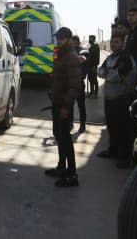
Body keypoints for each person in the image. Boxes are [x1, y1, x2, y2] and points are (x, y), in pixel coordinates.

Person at [45, 27, 81, 187]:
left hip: (63, 105)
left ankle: (72, 175)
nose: (58, 40)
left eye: (61, 38)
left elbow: (75, 85)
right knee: (59, 135)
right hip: (57, 103)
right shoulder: (61, 55)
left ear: (68, 39)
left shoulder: (71, 57)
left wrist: (67, 106)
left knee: (65, 138)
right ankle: (61, 167)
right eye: (58, 38)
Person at [96, 35, 137, 166]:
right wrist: (109, 72)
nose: (113, 44)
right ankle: (112, 151)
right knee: (112, 127)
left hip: (121, 99)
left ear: (122, 44)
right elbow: (100, 72)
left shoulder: (126, 58)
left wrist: (108, 72)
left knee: (122, 129)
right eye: (112, 42)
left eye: (116, 42)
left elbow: (114, 76)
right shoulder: (111, 57)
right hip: (110, 98)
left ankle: (124, 156)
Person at [71, 35, 87, 134]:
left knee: (81, 105)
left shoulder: (82, 50)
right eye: (72, 42)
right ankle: (70, 123)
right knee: (70, 105)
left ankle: (82, 124)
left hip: (79, 82)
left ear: (78, 42)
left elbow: (84, 59)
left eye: (75, 42)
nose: (74, 43)